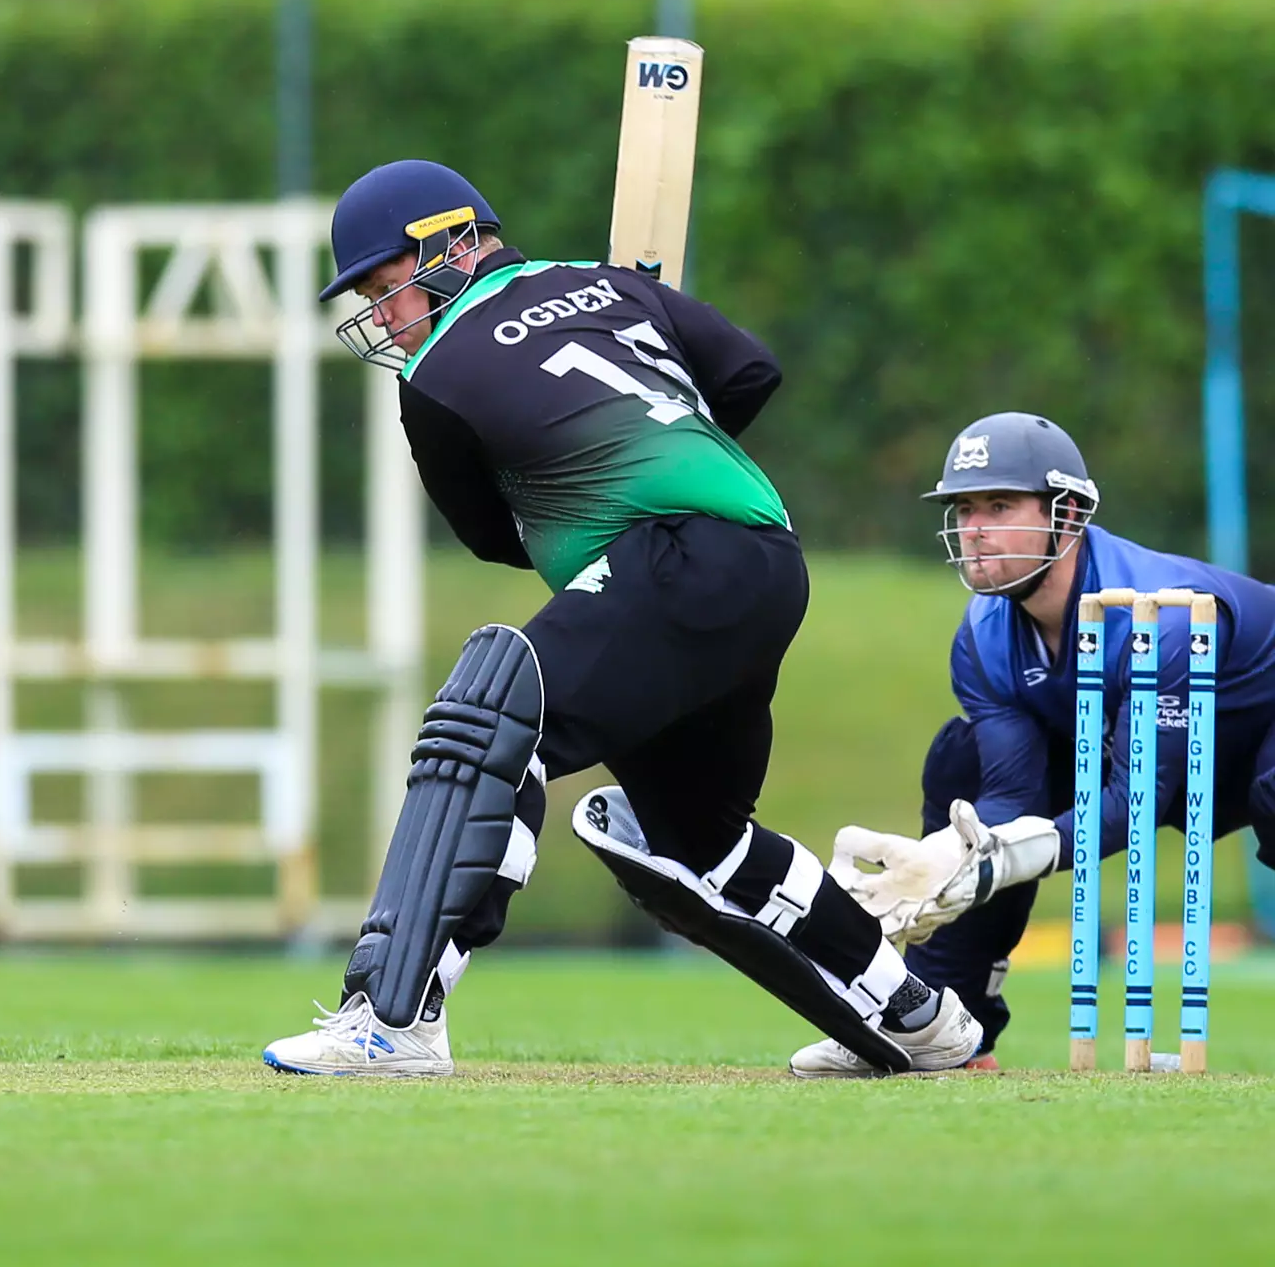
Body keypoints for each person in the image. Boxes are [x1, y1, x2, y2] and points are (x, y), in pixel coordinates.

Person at [262, 158, 981, 1078]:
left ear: (447, 245)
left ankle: (391, 1017)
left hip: (672, 564)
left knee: (492, 715)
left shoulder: (436, 373)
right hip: (763, 560)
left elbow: (489, 535)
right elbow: (751, 371)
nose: (383, 315)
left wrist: (593, 497)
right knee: (705, 840)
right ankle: (923, 1023)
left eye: (384, 284)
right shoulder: (614, 289)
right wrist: (659, 421)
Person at [807, 412, 1275, 1072]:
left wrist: (1002, 857)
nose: (974, 528)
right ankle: (943, 1032)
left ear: (1070, 513)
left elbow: (1133, 806)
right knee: (960, 760)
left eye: (999, 505)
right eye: (964, 509)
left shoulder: (1162, 616)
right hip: (1139, 744)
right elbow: (1008, 796)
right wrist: (947, 858)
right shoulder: (984, 638)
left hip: (1250, 733)